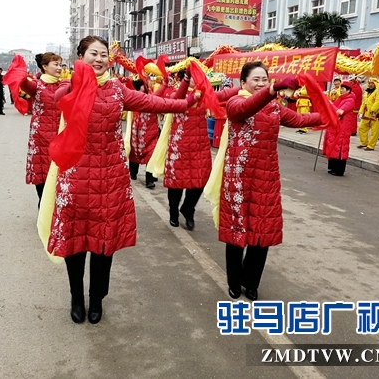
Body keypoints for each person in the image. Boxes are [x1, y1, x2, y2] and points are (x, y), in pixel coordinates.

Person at [38, 35, 199, 325]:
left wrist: (186, 101)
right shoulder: (68, 85)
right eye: (92, 54)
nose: (99, 59)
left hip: (111, 176)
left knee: (103, 243)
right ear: (81, 57)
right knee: (74, 242)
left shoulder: (117, 90)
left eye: (103, 55)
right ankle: (77, 295)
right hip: (75, 175)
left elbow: (154, 102)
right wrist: (80, 82)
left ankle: (97, 297)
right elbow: (59, 100)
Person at [210, 61, 326, 301]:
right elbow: (246, 109)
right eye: (256, 79)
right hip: (239, 178)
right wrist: (271, 90)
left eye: (265, 79)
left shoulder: (274, 107)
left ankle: (251, 282)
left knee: (262, 233)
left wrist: (331, 114)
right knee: (236, 232)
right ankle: (234, 280)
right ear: (242, 83)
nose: (261, 83)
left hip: (266, 177)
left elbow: (299, 120)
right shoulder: (235, 103)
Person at [154, 68, 237, 230]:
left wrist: (242, 86)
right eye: (192, 78)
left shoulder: (204, 95)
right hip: (179, 147)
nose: (196, 80)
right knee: (176, 183)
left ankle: (188, 208)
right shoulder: (176, 96)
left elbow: (224, 96)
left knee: (200, 181)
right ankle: (173, 212)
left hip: (200, 147)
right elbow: (177, 99)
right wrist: (186, 81)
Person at [19, 53, 66, 207]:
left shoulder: (65, 85)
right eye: (55, 64)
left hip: (61, 138)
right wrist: (21, 73)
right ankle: (43, 206)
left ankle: (55, 209)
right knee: (42, 174)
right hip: (40, 138)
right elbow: (23, 83)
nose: (59, 68)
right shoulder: (36, 86)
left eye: (60, 64)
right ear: (45, 67)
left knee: (60, 174)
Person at [127, 77, 162, 189]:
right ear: (141, 86)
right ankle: (133, 173)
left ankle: (149, 179)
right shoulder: (136, 96)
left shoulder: (148, 94)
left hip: (149, 131)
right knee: (135, 154)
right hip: (138, 132)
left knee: (151, 154)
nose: (148, 84)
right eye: (145, 84)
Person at [323, 81, 356, 176]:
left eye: (343, 89)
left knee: (340, 147)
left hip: (343, 127)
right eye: (341, 88)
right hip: (335, 125)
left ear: (348, 90)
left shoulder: (350, 100)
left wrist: (329, 103)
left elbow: (340, 111)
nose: (341, 90)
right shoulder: (341, 98)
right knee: (333, 146)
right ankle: (332, 167)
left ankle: (339, 170)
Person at [357, 77, 379, 151]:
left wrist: (372, 110)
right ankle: (364, 142)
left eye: (372, 83)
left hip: (375, 115)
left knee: (375, 131)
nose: (370, 85)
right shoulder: (367, 92)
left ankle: (371, 145)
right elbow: (363, 103)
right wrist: (360, 111)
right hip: (365, 114)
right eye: (369, 83)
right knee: (361, 128)